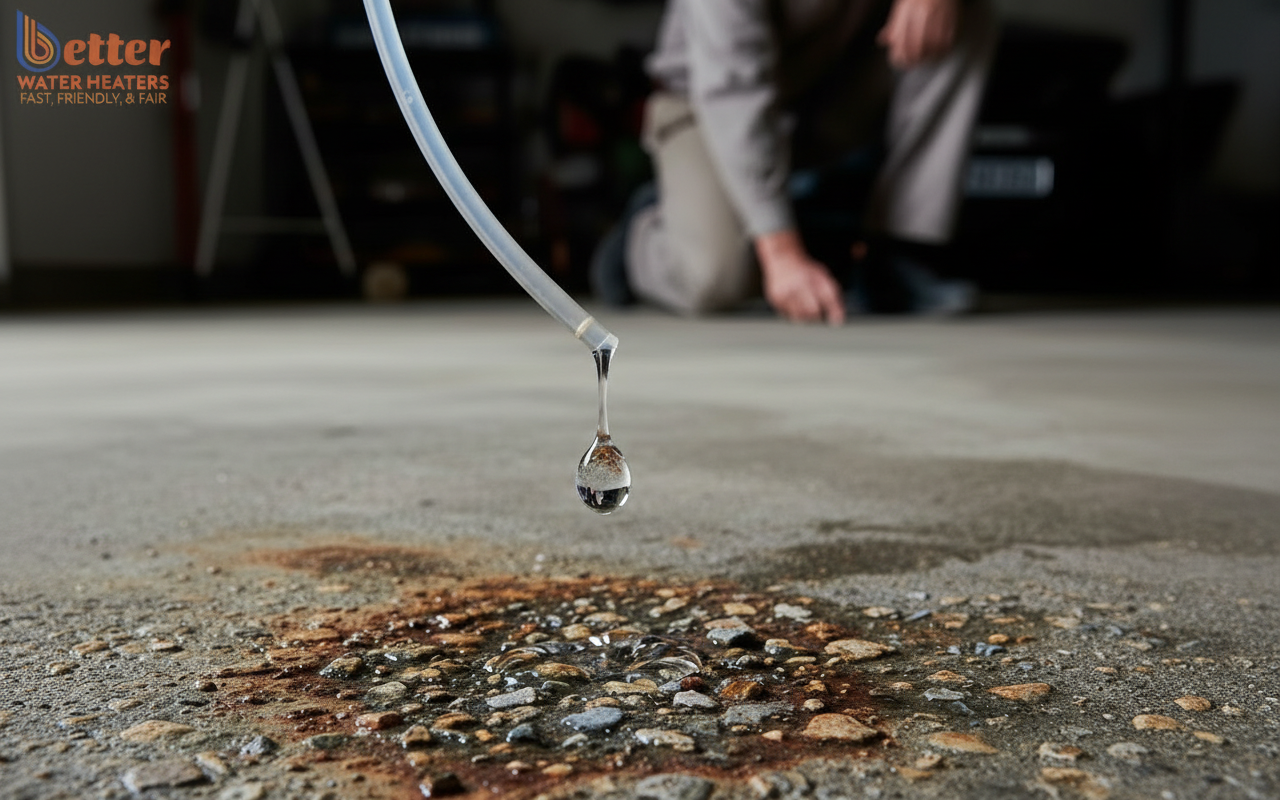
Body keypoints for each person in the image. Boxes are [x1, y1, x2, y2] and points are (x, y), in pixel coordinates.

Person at [590, 0, 998, 323]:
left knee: (963, 12)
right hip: (707, 105)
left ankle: (898, 255)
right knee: (718, 281)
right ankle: (640, 241)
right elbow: (734, 90)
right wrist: (781, 252)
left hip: (822, 94)